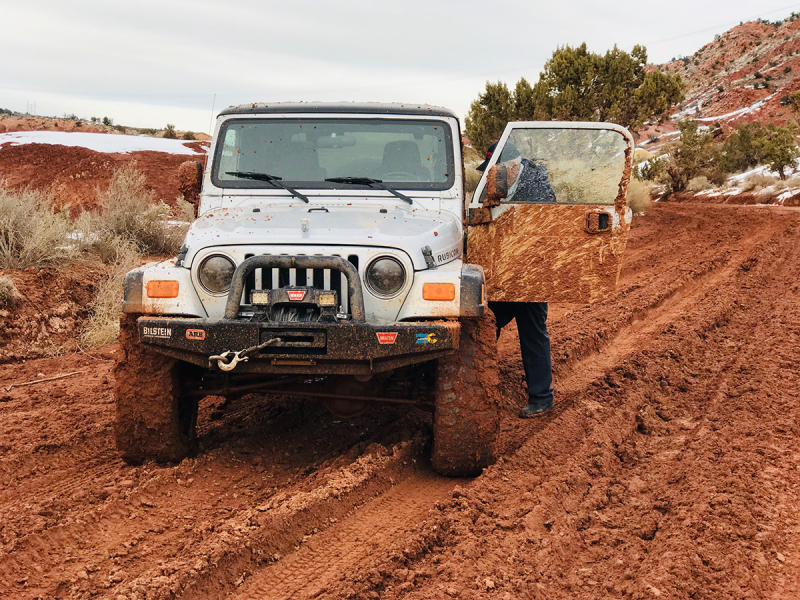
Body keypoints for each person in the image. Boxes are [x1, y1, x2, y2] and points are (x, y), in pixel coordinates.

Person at [476, 141, 554, 417]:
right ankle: (479, 387)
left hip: (530, 273)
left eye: (493, 171)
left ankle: (541, 398)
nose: (489, 177)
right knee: (485, 326)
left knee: (532, 333)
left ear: (511, 166)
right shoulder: (494, 185)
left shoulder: (539, 186)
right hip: (501, 272)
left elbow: (542, 229)